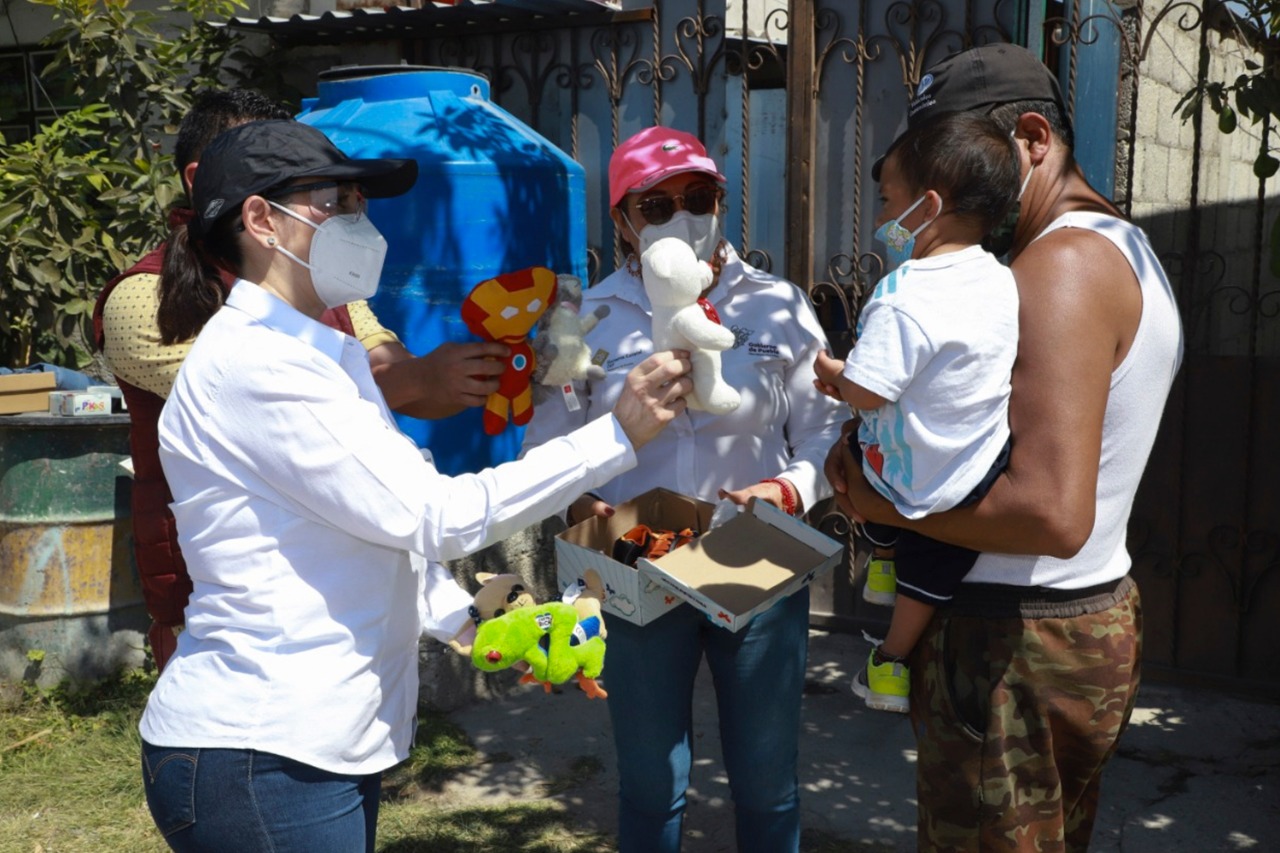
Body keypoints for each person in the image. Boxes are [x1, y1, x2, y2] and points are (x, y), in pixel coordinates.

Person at [136, 118, 692, 852]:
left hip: (311, 746)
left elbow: (381, 525)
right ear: (261, 219)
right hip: (263, 750)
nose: (361, 223)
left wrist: (478, 619)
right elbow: (434, 516)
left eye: (362, 203)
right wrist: (616, 435)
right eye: (337, 201)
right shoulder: (259, 366)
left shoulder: (318, 352)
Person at [826, 44, 1184, 850]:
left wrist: (877, 502)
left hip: (1016, 639)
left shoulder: (1059, 267)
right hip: (1065, 622)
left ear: (1030, 139)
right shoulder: (1117, 247)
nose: (945, 198)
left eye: (960, 170)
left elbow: (1052, 513)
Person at [92, 88, 507, 671]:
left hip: (335, 587)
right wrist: (613, 436)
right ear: (202, 179)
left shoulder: (323, 285)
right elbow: (290, 406)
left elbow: (393, 374)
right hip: (225, 609)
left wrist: (464, 375)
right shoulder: (141, 301)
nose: (341, 212)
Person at [521, 125, 848, 853]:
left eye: (698, 198)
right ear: (622, 220)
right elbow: (543, 436)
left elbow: (830, 432)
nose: (681, 217)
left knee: (767, 782)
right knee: (649, 780)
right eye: (657, 204)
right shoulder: (582, 318)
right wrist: (577, 502)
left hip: (755, 551)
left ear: (722, 202)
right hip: (631, 553)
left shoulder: (778, 304)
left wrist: (790, 490)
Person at [811, 110, 1021, 714]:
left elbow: (868, 393)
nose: (880, 218)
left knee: (850, 452)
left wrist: (833, 375)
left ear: (926, 207)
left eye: (886, 200)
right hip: (974, 475)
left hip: (904, 474)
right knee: (936, 562)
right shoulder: (1002, 279)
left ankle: (881, 563)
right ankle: (891, 659)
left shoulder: (904, 295)